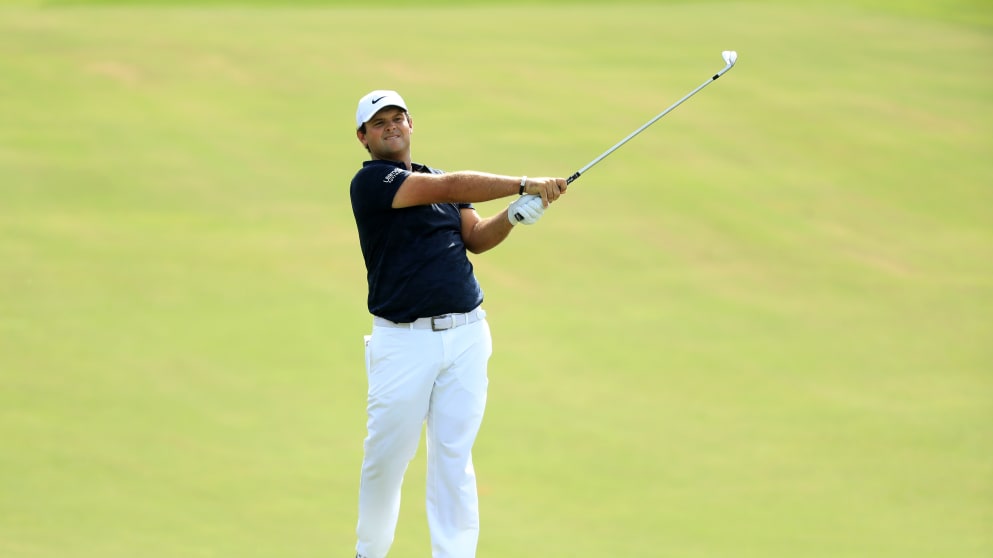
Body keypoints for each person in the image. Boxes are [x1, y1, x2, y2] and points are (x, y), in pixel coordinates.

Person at [349, 89, 567, 558]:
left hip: (467, 334)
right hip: (403, 343)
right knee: (386, 459)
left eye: (398, 118)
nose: (391, 126)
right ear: (363, 137)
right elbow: (450, 188)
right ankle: (370, 552)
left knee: (454, 458)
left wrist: (512, 215)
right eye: (379, 122)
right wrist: (524, 184)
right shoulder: (371, 182)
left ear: (411, 125)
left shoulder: (437, 176)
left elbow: (477, 237)